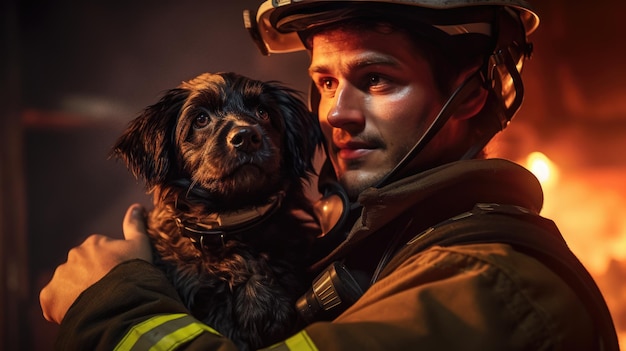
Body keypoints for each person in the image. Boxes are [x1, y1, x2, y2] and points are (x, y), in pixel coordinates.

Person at [40, 1, 620, 350]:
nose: (336, 113)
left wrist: (111, 304)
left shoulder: (487, 282)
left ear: (469, 94)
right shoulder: (389, 250)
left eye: (375, 80)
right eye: (324, 83)